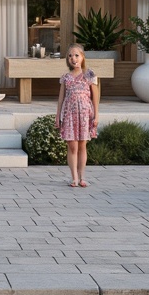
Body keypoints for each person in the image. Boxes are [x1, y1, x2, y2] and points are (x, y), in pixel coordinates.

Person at [55, 43, 100, 187]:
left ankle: (82, 177)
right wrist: (58, 117)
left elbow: (95, 97)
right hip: (69, 115)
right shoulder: (66, 77)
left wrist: (96, 115)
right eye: (70, 56)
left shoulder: (90, 75)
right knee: (72, 146)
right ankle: (73, 177)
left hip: (85, 115)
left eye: (76, 55)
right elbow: (61, 99)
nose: (73, 59)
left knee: (82, 146)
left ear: (82, 57)